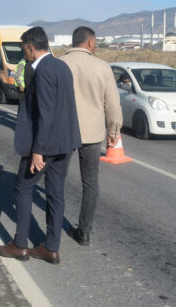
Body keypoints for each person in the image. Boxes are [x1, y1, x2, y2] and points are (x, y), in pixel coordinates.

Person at [0, 26, 81, 264]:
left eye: (24, 50)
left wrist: (38, 150)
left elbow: (46, 113)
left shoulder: (43, 71)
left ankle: (20, 244)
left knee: (23, 187)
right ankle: (51, 248)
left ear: (31, 47)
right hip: (65, 142)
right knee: (55, 192)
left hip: (46, 144)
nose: (24, 55)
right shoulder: (62, 66)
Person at [60, 26, 122, 246]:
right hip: (93, 134)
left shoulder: (60, 63)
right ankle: (84, 231)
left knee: (58, 178)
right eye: (94, 43)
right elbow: (113, 105)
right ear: (90, 43)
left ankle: (54, 223)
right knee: (91, 183)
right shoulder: (103, 67)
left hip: (64, 131)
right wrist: (113, 132)